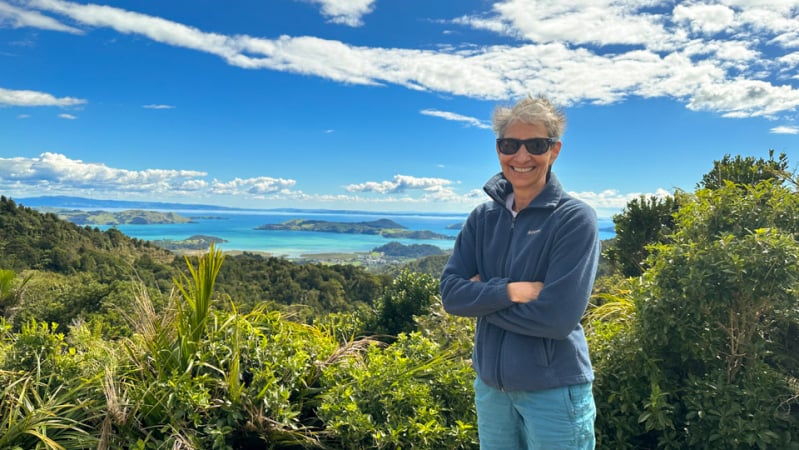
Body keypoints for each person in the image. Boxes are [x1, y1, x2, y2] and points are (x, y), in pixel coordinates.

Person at [440, 95, 600, 449]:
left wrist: (480, 299)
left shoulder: (574, 219)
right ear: (498, 149)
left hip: (554, 391)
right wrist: (510, 292)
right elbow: (451, 294)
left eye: (536, 145)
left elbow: (557, 319)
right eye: (510, 144)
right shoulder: (482, 219)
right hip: (491, 389)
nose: (522, 156)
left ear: (554, 151)